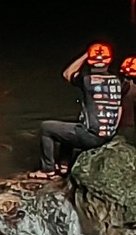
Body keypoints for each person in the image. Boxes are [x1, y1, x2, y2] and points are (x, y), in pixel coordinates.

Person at [35, 42, 129, 177]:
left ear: (90, 61)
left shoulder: (87, 80)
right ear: (109, 61)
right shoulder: (119, 81)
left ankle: (47, 169)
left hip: (91, 137)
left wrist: (85, 54)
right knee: (70, 128)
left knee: (46, 127)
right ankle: (63, 166)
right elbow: (120, 109)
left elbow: (67, 73)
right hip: (108, 134)